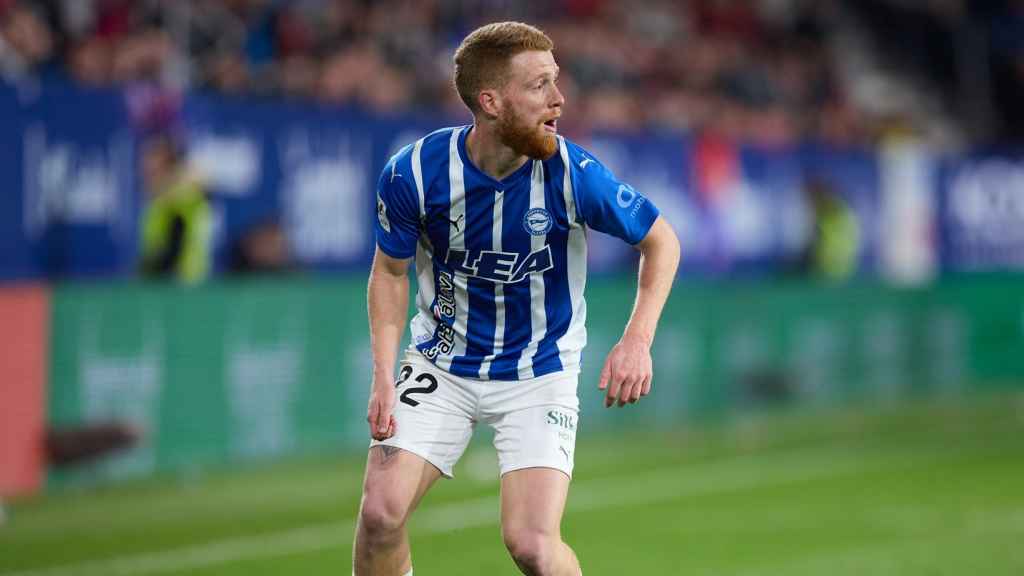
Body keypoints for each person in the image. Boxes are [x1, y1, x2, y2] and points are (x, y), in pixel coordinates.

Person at [354, 21, 680, 576]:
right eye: (540, 86)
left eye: (556, 82)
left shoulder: (573, 174)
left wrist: (636, 340)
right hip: (441, 363)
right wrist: (384, 373)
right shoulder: (413, 173)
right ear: (491, 101)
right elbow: (389, 272)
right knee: (381, 515)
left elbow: (661, 241)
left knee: (531, 544)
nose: (559, 99)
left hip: (539, 372)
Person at [138, 133, 212, 284]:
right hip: (158, 276)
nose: (146, 171)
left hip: (182, 277)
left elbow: (202, 184)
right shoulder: (156, 201)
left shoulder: (183, 195)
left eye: (154, 166)